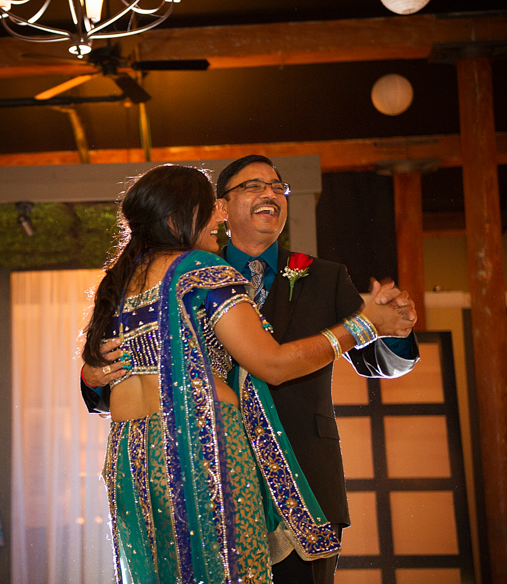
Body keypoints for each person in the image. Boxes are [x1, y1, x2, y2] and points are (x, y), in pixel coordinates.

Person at [81, 164, 415, 584]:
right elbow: (271, 364)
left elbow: (376, 360)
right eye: (253, 187)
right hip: (207, 449)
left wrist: (393, 332)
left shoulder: (121, 283)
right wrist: (365, 322)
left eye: (279, 187)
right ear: (209, 208)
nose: (270, 195)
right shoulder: (202, 267)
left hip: (141, 458)